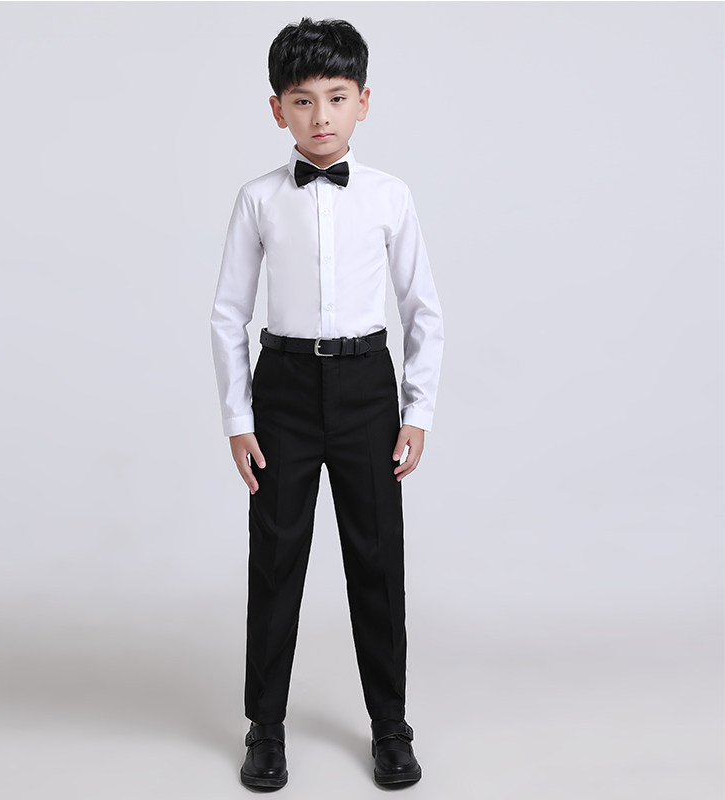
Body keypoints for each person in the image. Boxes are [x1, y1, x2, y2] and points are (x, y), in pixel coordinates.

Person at [210, 16, 444, 790]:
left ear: (363, 102)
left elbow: (423, 309)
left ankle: (391, 727)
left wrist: (417, 410)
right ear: (277, 108)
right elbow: (228, 314)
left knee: (376, 562)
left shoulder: (389, 196)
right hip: (281, 390)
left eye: (337, 98)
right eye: (303, 100)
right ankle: (265, 727)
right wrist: (239, 420)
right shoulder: (257, 200)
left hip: (367, 388)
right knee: (275, 563)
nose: (321, 117)